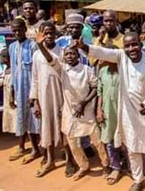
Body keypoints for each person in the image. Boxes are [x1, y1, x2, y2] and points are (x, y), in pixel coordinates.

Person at [77, 33, 145, 191]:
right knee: (132, 147)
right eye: (127, 46)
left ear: (140, 45)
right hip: (127, 110)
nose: (131, 48)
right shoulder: (121, 56)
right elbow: (103, 52)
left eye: (134, 44)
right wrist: (84, 47)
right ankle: (138, 179)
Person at [37, 41, 109, 181]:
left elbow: (95, 87)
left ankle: (106, 165)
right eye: (67, 54)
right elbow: (50, 58)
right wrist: (40, 45)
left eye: (73, 54)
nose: (70, 56)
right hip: (69, 113)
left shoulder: (87, 70)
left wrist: (84, 103)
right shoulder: (62, 69)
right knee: (73, 144)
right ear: (64, 56)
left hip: (86, 112)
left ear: (78, 56)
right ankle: (83, 166)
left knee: (98, 141)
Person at [30, 21, 66, 177]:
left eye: (52, 33)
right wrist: (35, 100)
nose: (49, 36)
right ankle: (50, 160)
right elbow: (35, 78)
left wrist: (41, 46)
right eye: (46, 33)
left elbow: (56, 65)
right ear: (40, 34)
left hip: (61, 94)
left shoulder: (62, 52)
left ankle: (70, 160)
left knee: (65, 129)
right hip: (44, 97)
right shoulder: (36, 55)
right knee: (47, 128)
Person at [8, 18, 41, 163]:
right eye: (13, 30)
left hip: (31, 90)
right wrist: (12, 91)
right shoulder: (12, 47)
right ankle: (21, 146)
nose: (16, 33)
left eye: (19, 29)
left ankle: (35, 149)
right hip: (19, 89)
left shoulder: (33, 46)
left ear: (25, 29)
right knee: (21, 117)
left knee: (34, 119)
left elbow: (37, 70)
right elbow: (14, 71)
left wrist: (35, 94)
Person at [96, 45, 123, 185]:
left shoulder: (123, 71)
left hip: (123, 111)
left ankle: (131, 166)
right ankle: (116, 167)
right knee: (109, 140)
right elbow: (99, 92)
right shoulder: (102, 71)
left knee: (124, 138)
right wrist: (99, 110)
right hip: (107, 110)